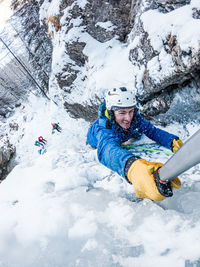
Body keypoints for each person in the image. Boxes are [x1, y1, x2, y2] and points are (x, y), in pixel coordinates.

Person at [87, 87, 183, 201]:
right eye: (122, 112)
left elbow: (152, 131)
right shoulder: (103, 129)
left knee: (135, 131)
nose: (128, 118)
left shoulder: (135, 118)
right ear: (111, 112)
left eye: (131, 111)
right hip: (95, 140)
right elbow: (108, 150)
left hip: (121, 135)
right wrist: (132, 167)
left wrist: (171, 141)